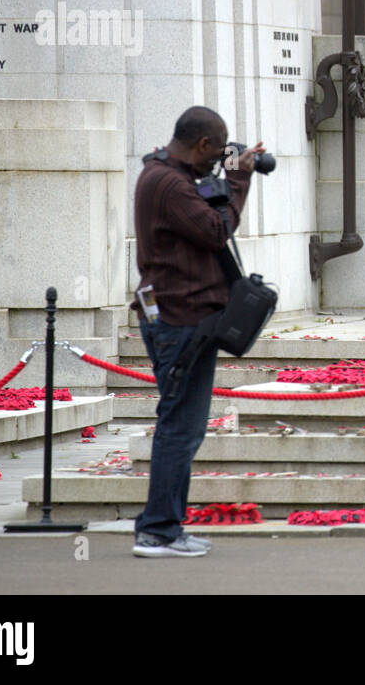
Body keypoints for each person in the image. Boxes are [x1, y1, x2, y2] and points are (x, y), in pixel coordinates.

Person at [129, 106, 265, 557]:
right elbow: (214, 229)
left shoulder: (164, 171)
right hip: (180, 320)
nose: (214, 162)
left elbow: (204, 203)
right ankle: (159, 531)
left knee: (182, 427)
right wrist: (240, 182)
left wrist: (228, 176)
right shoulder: (168, 183)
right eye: (215, 153)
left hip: (182, 318)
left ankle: (166, 527)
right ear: (202, 145)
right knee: (180, 429)